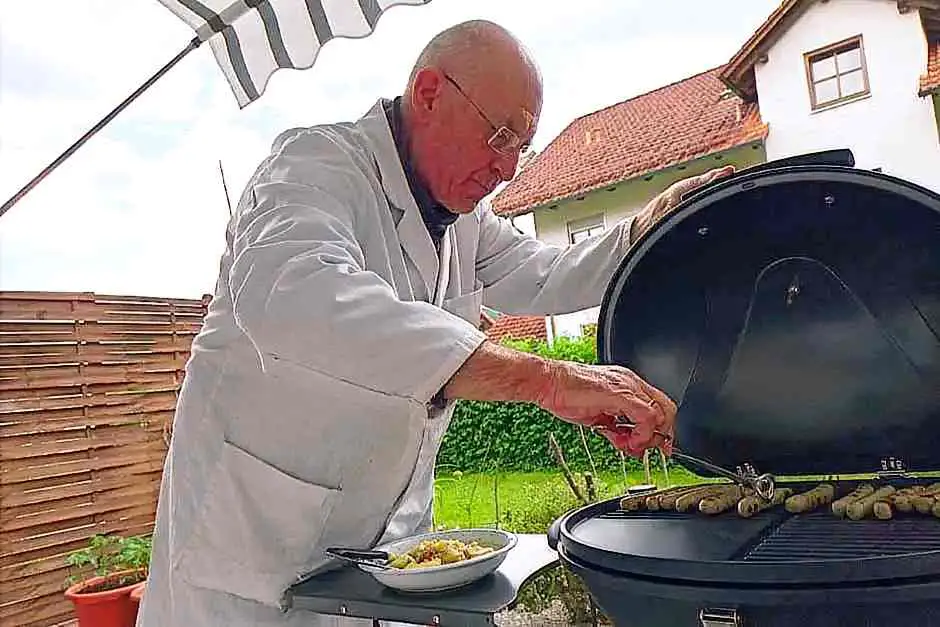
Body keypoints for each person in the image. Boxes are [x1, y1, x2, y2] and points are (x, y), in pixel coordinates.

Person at [136, 19, 733, 627]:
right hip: (249, 561)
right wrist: (549, 380)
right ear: (429, 94)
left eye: (521, 148)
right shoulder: (313, 166)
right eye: (499, 137)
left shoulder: (463, 218)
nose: (508, 168)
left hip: (380, 556)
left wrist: (647, 227)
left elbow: (548, 272)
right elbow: (294, 296)